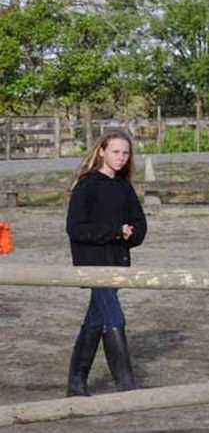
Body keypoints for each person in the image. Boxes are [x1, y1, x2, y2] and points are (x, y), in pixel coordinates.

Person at [66, 130, 147, 396]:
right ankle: (126, 384)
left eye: (125, 153)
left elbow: (140, 224)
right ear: (101, 151)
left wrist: (130, 233)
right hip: (93, 264)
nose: (121, 157)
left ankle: (76, 382)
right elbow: (76, 229)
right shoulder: (86, 185)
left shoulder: (124, 186)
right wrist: (114, 230)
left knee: (95, 320)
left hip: (117, 262)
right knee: (113, 317)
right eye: (115, 151)